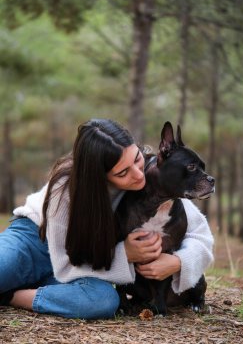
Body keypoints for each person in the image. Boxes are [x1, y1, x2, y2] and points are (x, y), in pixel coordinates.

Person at [0, 119, 214, 319]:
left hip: (84, 263)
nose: (138, 175)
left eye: (137, 158)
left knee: (103, 300)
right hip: (32, 242)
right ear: (100, 177)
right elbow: (63, 266)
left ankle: (11, 296)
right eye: (123, 173)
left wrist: (178, 262)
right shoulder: (65, 188)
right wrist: (125, 255)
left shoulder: (156, 178)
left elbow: (201, 237)